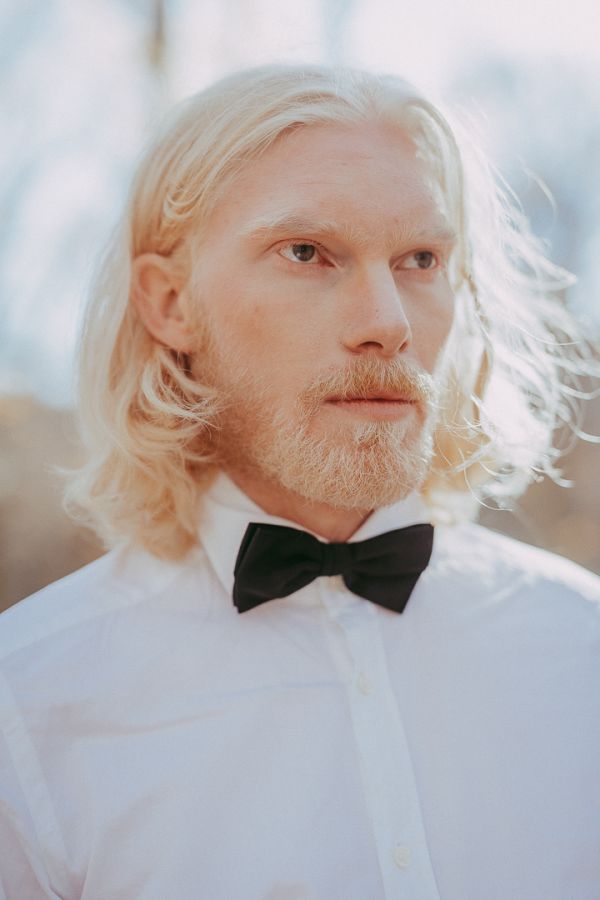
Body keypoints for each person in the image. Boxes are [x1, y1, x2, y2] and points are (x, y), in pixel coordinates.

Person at [0, 64, 598, 900]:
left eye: (420, 259)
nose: (387, 323)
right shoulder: (27, 707)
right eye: (308, 253)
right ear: (170, 304)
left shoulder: (583, 645)